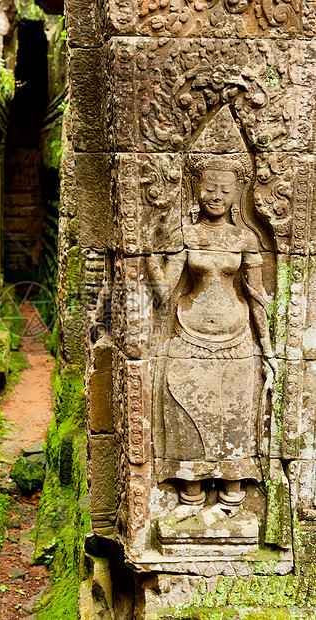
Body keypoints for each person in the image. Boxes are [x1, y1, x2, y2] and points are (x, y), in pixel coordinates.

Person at [146, 154, 277, 508]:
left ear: (237, 194)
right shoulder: (185, 235)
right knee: (185, 406)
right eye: (209, 188)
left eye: (225, 190)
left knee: (232, 413)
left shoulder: (246, 237)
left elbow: (257, 298)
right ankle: (191, 485)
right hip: (189, 333)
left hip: (237, 339)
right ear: (196, 189)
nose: (216, 196)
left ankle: (232, 483)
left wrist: (267, 349)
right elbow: (163, 292)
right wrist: (144, 251)